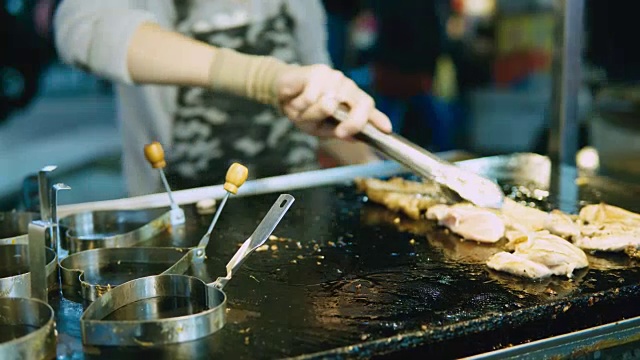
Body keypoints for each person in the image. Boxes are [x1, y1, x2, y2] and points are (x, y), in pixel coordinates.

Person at [53, 0, 391, 196]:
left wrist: (380, 172)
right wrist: (264, 78)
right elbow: (83, 27)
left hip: (294, 200)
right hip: (184, 211)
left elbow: (315, 102)